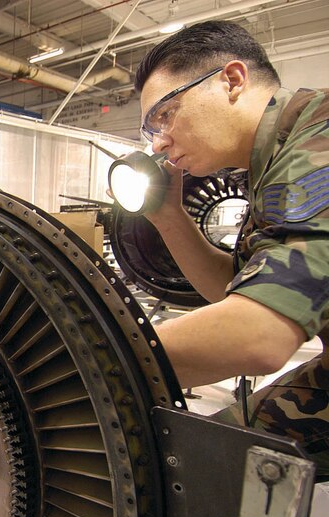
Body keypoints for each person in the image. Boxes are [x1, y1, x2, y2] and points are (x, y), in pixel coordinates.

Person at [133, 20, 328, 475]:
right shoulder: (269, 161)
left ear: (232, 80)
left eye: (165, 114)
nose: (159, 142)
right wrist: (168, 215)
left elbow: (261, 332)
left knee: (205, 468)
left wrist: (85, 358)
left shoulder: (317, 139)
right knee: (215, 451)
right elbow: (235, 289)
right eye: (150, 131)